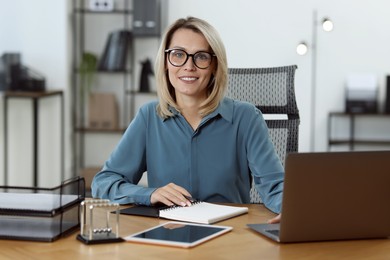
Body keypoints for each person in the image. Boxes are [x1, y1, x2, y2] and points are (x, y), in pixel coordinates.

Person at [91, 16, 283, 223]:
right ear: (165, 62)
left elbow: (274, 186)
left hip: (229, 235)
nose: (188, 66)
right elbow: (104, 182)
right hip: (167, 235)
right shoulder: (149, 117)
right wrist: (149, 194)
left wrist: (290, 208)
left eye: (200, 57)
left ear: (214, 65)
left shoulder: (246, 118)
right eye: (178, 54)